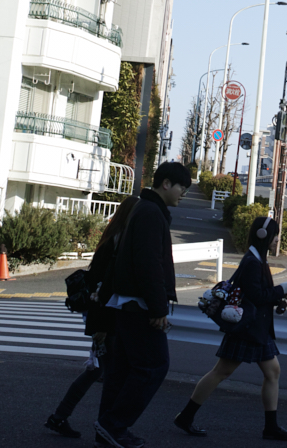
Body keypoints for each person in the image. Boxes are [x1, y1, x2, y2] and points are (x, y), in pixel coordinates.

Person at [173, 216, 287, 441]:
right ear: (263, 235)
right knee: (221, 372)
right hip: (248, 328)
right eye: (275, 235)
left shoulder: (257, 258)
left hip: (255, 328)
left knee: (271, 372)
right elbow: (256, 296)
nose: (277, 239)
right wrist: (281, 289)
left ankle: (271, 427)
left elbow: (257, 295)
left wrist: (278, 295)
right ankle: (186, 416)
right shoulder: (253, 262)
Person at [95, 162, 191, 448]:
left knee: (122, 372)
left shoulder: (144, 209)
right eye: (181, 187)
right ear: (166, 183)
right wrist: (158, 308)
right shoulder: (151, 213)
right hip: (140, 306)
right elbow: (149, 264)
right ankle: (113, 425)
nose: (183, 193)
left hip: (126, 304)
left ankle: (107, 429)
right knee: (154, 366)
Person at [43, 196, 140, 438]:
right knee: (111, 375)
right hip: (104, 319)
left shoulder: (112, 239)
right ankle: (106, 428)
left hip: (101, 317)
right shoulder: (116, 245)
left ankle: (60, 417)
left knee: (98, 371)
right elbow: (103, 288)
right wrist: (101, 327)